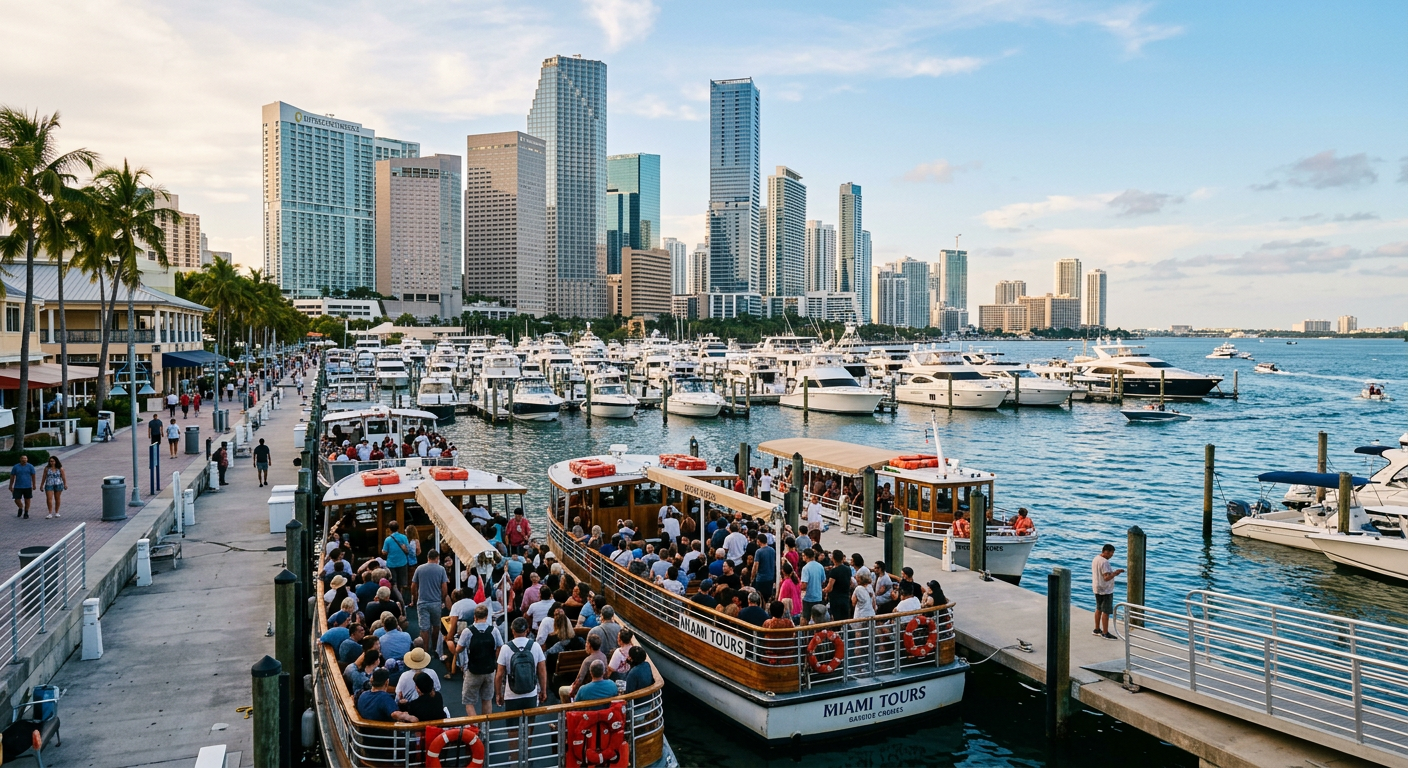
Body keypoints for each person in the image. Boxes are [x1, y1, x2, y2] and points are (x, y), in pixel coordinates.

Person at [449, 604, 502, 717]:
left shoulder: (468, 631)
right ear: (486, 616)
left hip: (473, 671)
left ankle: (476, 727)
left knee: (469, 701)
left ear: (475, 617)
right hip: (489, 670)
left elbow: (458, 649)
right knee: (487, 699)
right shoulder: (494, 631)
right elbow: (499, 647)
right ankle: (485, 727)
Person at [496, 617, 548, 710]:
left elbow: (499, 675)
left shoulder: (506, 648)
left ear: (513, 631)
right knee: (530, 722)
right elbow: (542, 672)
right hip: (531, 693)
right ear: (527, 630)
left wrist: (498, 694)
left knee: (513, 724)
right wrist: (543, 691)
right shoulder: (535, 646)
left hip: (511, 694)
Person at [411, 549, 449, 652]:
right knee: (436, 626)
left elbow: (413, 586)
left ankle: (425, 650)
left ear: (428, 557)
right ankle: (435, 648)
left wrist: (415, 598)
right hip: (436, 602)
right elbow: (444, 587)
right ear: (437, 558)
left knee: (424, 628)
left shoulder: (419, 569)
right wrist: (442, 599)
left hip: (422, 602)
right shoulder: (441, 569)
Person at [1092, 544, 1124, 640]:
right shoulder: (1105, 562)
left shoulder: (1096, 558)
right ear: (1107, 551)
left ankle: (1097, 629)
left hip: (1097, 587)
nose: (1112, 555)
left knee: (1098, 608)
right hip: (1105, 590)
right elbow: (1106, 578)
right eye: (1111, 553)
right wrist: (1116, 573)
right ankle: (1105, 633)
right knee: (1106, 611)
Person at [382, 521, 413, 592]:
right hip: (402, 562)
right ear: (398, 528)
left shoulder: (388, 540)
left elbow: (384, 551)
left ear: (390, 529)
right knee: (403, 582)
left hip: (391, 563)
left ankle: (396, 597)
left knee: (394, 582)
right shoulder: (404, 537)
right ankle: (403, 596)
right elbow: (408, 549)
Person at [824, 549, 853, 621]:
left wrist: (823, 590)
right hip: (845, 597)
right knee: (845, 619)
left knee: (836, 619)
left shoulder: (834, 571)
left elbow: (829, 588)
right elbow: (850, 582)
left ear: (833, 559)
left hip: (836, 599)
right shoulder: (847, 569)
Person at [799, 548, 826, 625]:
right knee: (818, 618)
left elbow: (804, 585)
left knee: (805, 617)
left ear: (807, 556)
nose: (802, 557)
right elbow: (823, 580)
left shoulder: (805, 568)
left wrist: (798, 588)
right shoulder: (820, 566)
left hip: (808, 597)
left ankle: (804, 636)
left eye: (803, 556)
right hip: (818, 596)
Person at [752, 531, 776, 601]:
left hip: (761, 578)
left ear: (759, 541)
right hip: (770, 577)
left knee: (760, 598)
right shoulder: (772, 550)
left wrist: (752, 576)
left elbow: (755, 565)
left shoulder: (758, 552)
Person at [10, 454, 36, 520]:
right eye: (23, 458)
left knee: (27, 500)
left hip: (27, 486)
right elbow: (12, 476)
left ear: (27, 459)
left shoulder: (30, 466)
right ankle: (20, 507)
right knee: (16, 499)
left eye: (25, 458)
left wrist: (34, 484)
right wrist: (11, 485)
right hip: (18, 486)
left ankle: (26, 512)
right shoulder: (16, 467)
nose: (24, 459)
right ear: (20, 459)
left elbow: (33, 476)